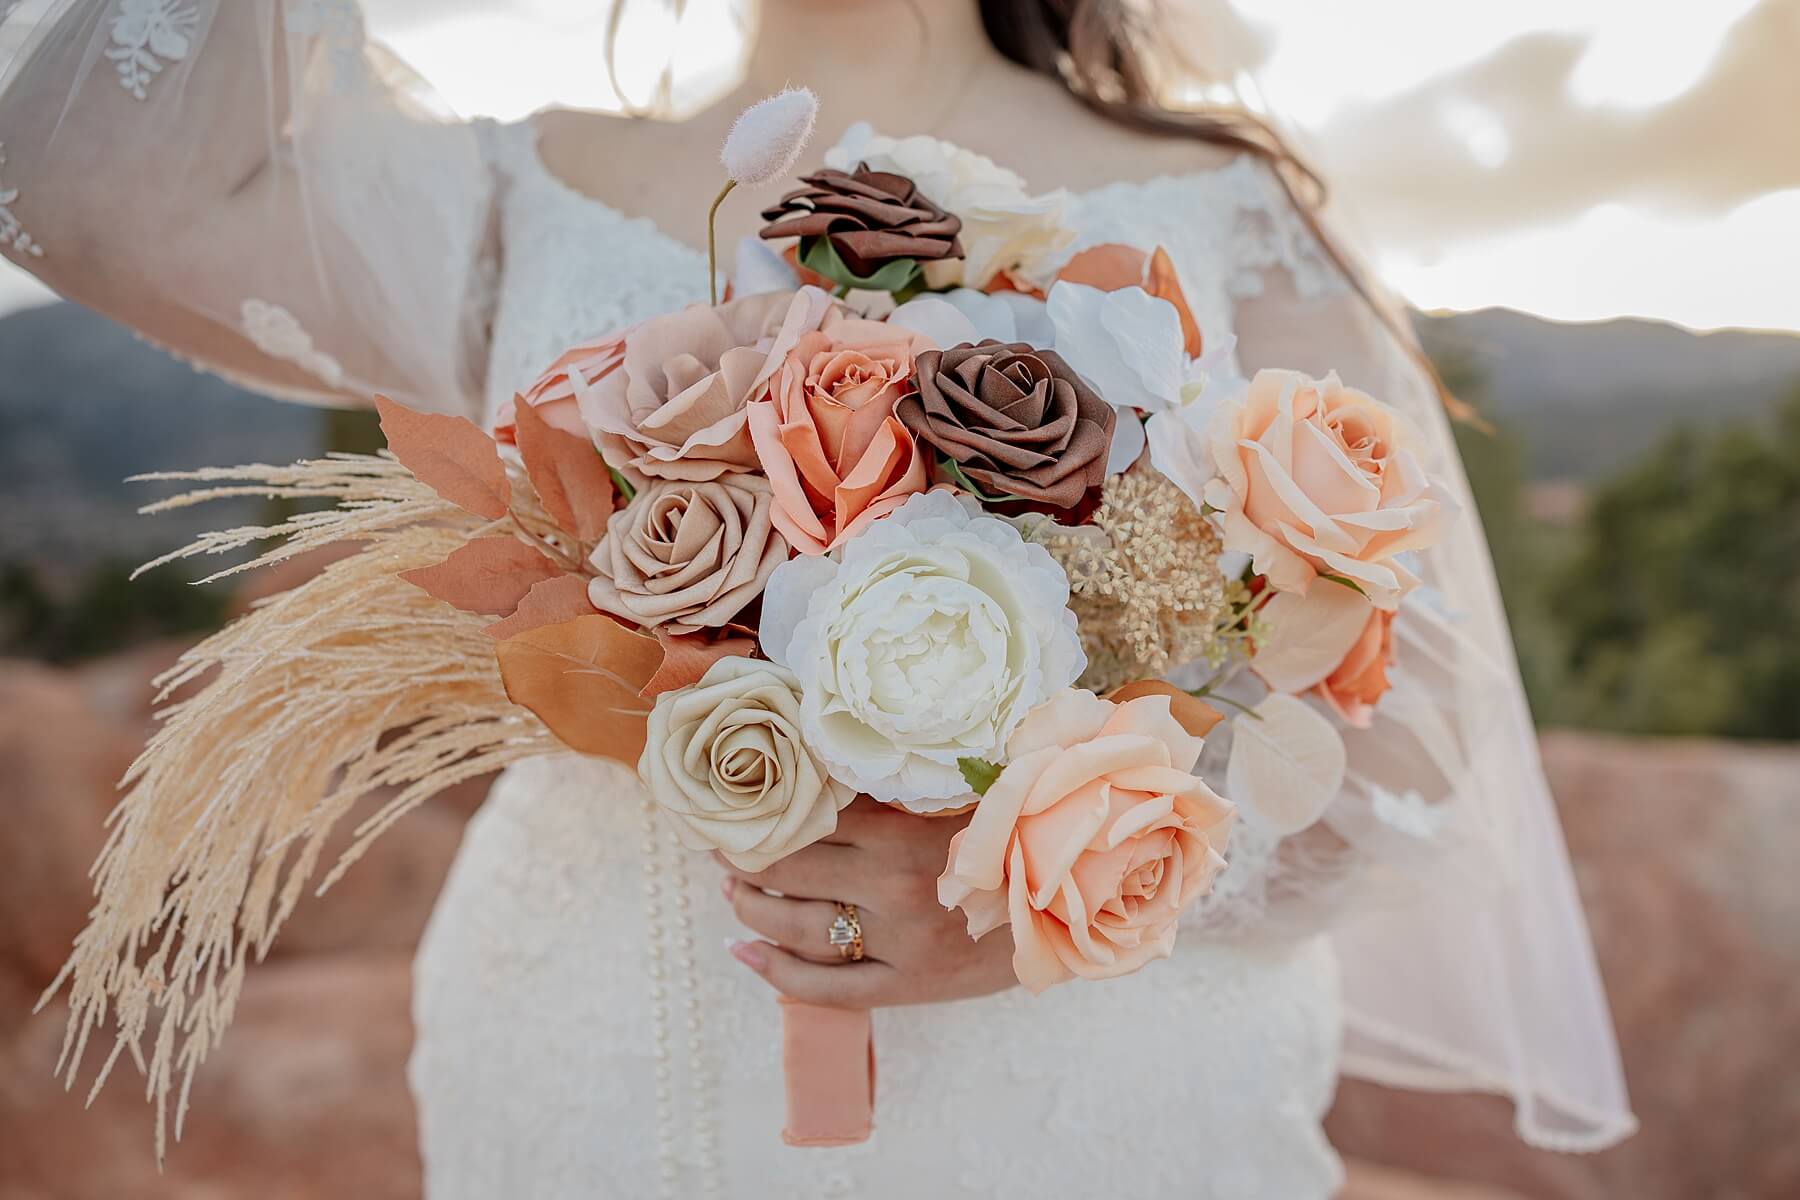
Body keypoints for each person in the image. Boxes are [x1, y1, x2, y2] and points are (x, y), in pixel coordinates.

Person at [0, 1, 1634, 1195]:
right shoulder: (515, 191)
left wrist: (1043, 885)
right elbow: (77, 186)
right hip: (593, 1061)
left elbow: (1414, 728)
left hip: (1088, 1095)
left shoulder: (1222, 208)